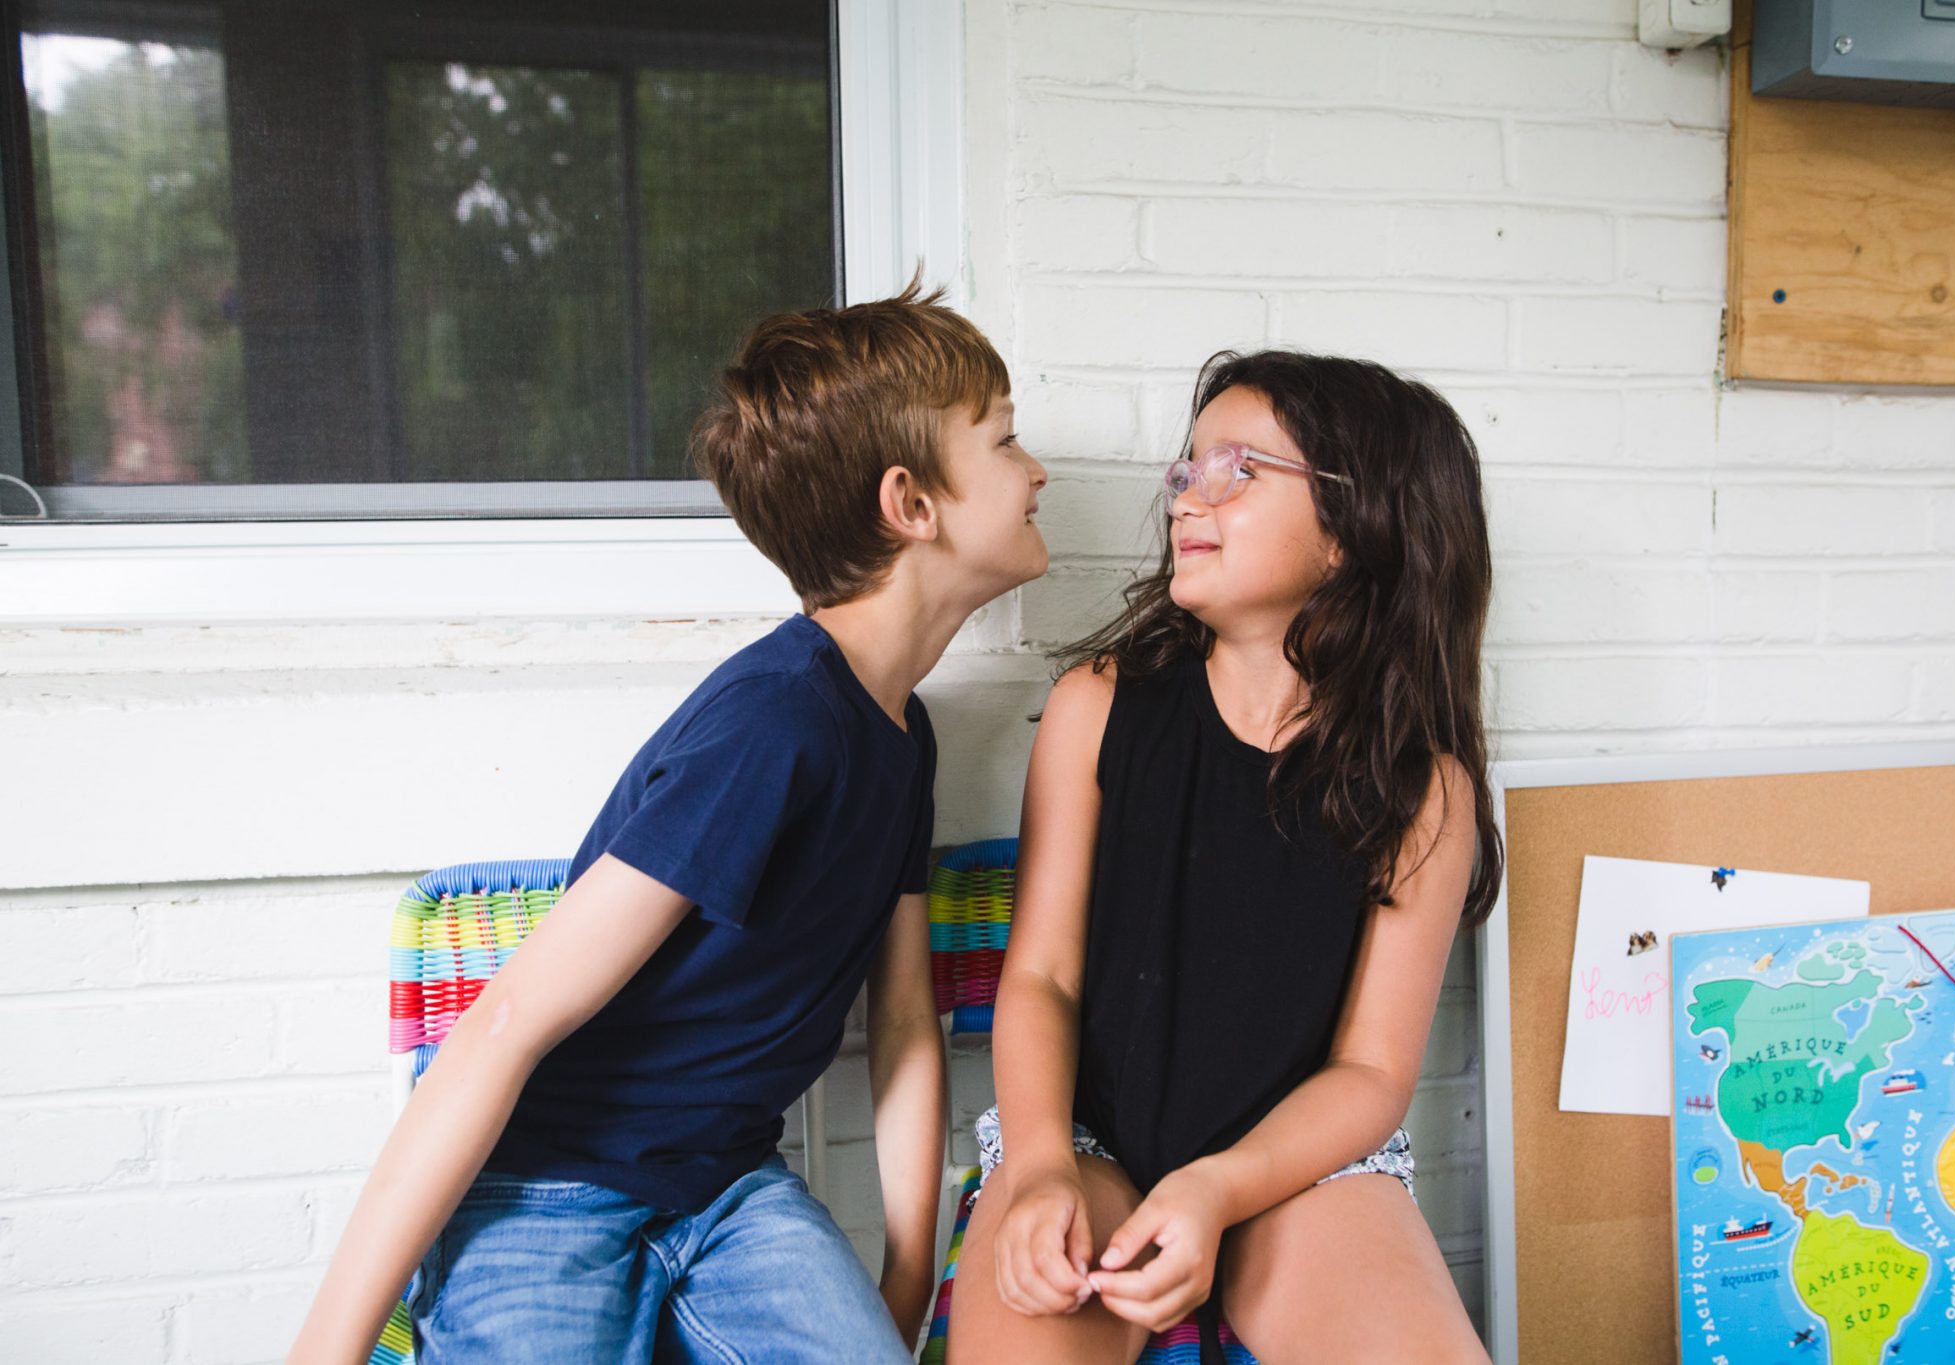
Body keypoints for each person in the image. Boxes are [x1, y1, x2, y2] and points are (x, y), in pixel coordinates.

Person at [289, 282, 1049, 1365]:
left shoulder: (903, 732)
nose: (1036, 472)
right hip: (544, 1190)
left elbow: (901, 1020)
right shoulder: (774, 724)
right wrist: (325, 1346)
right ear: (909, 504)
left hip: (730, 1194)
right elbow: (503, 1024)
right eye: (1007, 441)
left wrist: (908, 1273)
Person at [946, 350, 1501, 1364]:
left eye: (1237, 470)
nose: (1185, 498)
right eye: (1186, 468)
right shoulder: (1095, 708)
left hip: (1300, 1166)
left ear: (1352, 528)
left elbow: (1371, 1071)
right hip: (1088, 1141)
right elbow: (1040, 977)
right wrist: (1033, 1170)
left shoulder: (1424, 789)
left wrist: (1218, 1185)